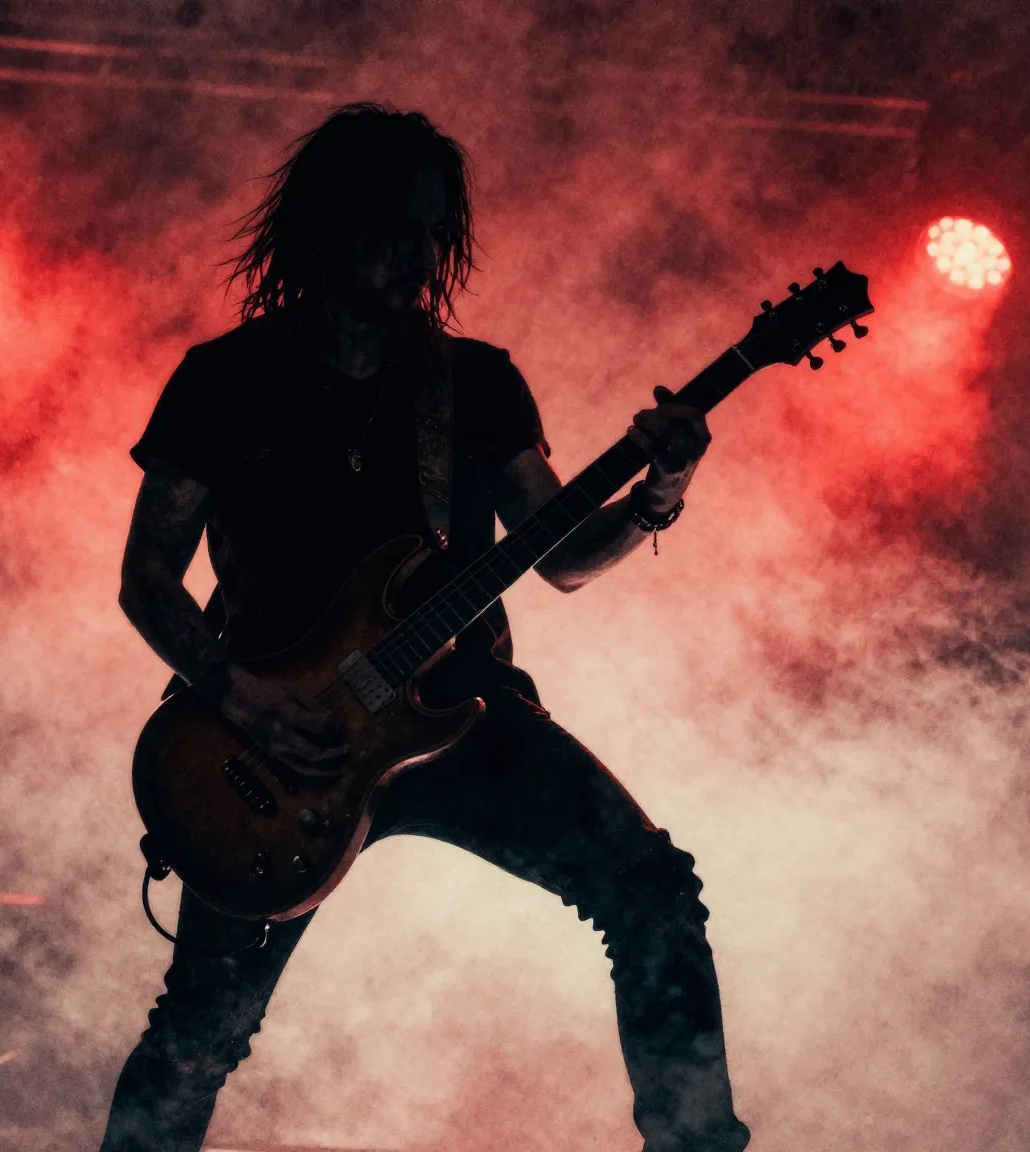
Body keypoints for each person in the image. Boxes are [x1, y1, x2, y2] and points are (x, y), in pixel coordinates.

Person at [103, 103, 748, 1152]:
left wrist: (658, 494)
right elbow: (146, 579)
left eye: (433, 231)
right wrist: (238, 697)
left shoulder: (473, 384)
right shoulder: (224, 380)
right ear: (331, 225)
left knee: (653, 891)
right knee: (197, 1037)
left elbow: (563, 557)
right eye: (395, 229)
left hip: (457, 712)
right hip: (275, 743)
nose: (418, 255)